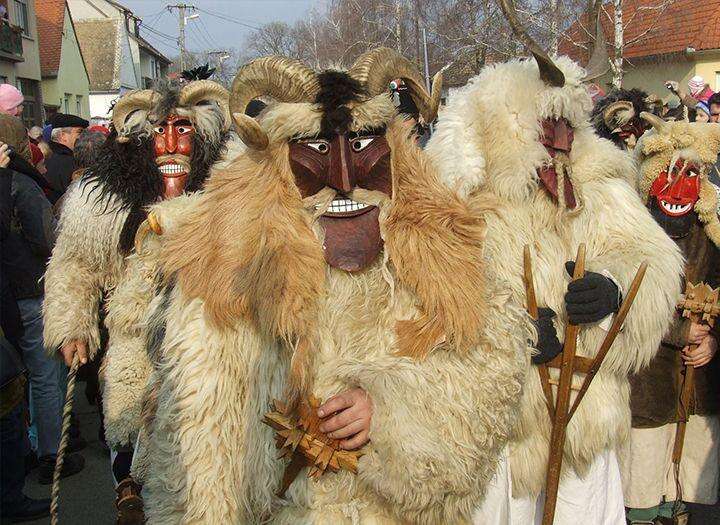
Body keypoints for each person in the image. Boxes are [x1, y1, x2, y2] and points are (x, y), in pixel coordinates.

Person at [129, 50, 529, 524]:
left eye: (361, 144)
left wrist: (392, 409)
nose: (343, 179)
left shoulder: (443, 253)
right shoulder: (228, 269)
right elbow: (198, 433)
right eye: (317, 148)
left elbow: (489, 370)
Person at [425, 4, 684, 523]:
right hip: (500, 434)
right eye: (545, 124)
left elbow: (652, 263)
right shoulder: (463, 201)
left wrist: (614, 291)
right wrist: (510, 332)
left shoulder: (600, 183)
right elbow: (435, 297)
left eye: (566, 123)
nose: (559, 138)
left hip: (583, 422)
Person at [42, 78, 234, 519]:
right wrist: (72, 322)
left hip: (212, 348)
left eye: (183, 130)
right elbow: (75, 264)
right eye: (159, 132)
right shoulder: (107, 201)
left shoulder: (230, 193)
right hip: (134, 348)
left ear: (205, 138)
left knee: (206, 452)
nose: (171, 145)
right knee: (129, 445)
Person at [621, 113, 720, 524]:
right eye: (671, 171)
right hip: (649, 384)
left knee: (693, 488)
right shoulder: (631, 234)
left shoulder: (712, 237)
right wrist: (681, 331)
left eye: (690, 173)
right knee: (644, 488)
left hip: (702, 388)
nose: (680, 184)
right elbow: (624, 305)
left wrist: (713, 339)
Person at [0, 114, 86, 486]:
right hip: (30, 290)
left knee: (17, 379)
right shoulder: (19, 183)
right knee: (45, 376)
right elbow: (46, 240)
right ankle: (52, 454)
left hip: (9, 293)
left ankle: (27, 448)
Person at [43, 113, 88, 203]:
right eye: (79, 132)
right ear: (63, 136)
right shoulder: (67, 162)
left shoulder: (49, 156)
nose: (84, 136)